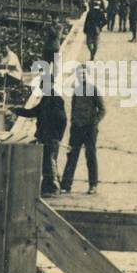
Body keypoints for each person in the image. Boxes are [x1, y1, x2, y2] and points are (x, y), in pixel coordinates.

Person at [13, 87, 68, 195]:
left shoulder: (56, 99)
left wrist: (57, 137)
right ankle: (48, 187)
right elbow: (34, 112)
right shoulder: (46, 98)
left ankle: (53, 187)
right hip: (45, 135)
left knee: (49, 161)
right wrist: (17, 110)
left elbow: (62, 119)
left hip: (51, 137)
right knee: (46, 162)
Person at [61, 64, 105, 194]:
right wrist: (73, 122)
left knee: (90, 156)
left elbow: (102, 110)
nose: (82, 76)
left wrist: (94, 123)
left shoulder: (94, 90)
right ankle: (66, 185)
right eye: (80, 74)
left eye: (84, 74)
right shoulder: (77, 90)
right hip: (76, 128)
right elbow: (73, 108)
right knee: (72, 156)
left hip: (89, 129)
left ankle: (93, 185)